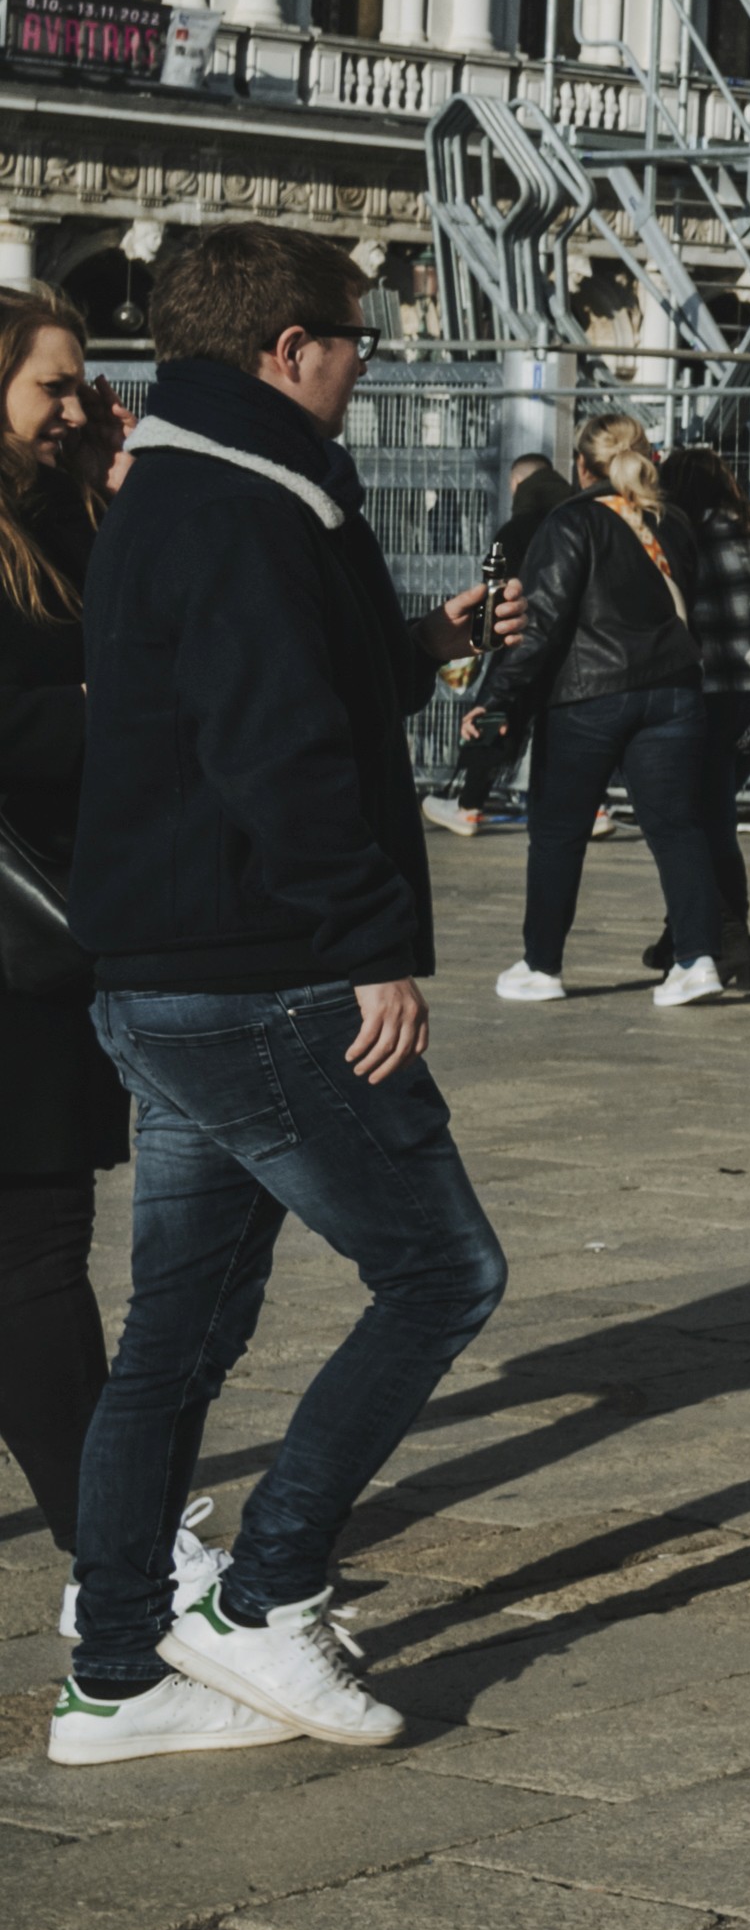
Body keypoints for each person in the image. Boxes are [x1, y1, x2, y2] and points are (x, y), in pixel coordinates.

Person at [56, 223, 521, 1764]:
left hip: (171, 971)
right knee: (441, 1272)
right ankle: (263, 1599)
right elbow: (278, 750)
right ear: (286, 349)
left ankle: (114, 1675)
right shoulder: (254, 502)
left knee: (173, 1342)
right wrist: (370, 938)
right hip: (265, 972)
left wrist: (422, 645)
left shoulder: (179, 482)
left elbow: (263, 689)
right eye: (355, 334)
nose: (366, 358)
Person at [0, 288, 162, 1641]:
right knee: (38, 1251)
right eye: (55, 385)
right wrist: (106, 713)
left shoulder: (52, 519)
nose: (73, 405)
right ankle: (112, 1554)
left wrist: (114, 477)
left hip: (51, 920)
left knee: (32, 1252)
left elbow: (123, 617)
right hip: (13, 941)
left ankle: (112, 1528)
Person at [473, 415, 736, 1011]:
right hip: (673, 694)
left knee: (559, 835)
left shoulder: (571, 522)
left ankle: (542, 965)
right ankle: (696, 960)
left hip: (587, 696)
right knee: (677, 828)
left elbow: (538, 626)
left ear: (582, 466)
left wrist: (495, 703)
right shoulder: (675, 525)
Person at [658, 450, 750, 991]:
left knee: (702, 822)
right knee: (712, 811)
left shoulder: (688, 538)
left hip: (708, 692)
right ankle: (680, 931)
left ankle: (733, 940)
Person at [437, 450, 561, 836]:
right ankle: (596, 808)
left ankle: (470, 804)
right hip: (572, 645)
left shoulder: (512, 532)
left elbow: (494, 589)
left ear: (516, 484)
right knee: (566, 726)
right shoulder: (578, 520)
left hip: (518, 639)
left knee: (494, 717)